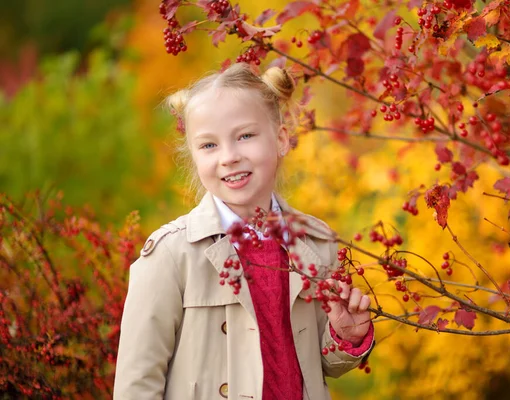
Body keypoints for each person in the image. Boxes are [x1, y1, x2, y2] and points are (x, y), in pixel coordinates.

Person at [113, 62, 375, 400]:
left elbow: (318, 365)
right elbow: (137, 385)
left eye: (245, 136)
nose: (229, 157)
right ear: (193, 155)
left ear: (281, 139)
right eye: (209, 145)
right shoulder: (171, 255)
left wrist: (344, 336)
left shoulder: (316, 242)